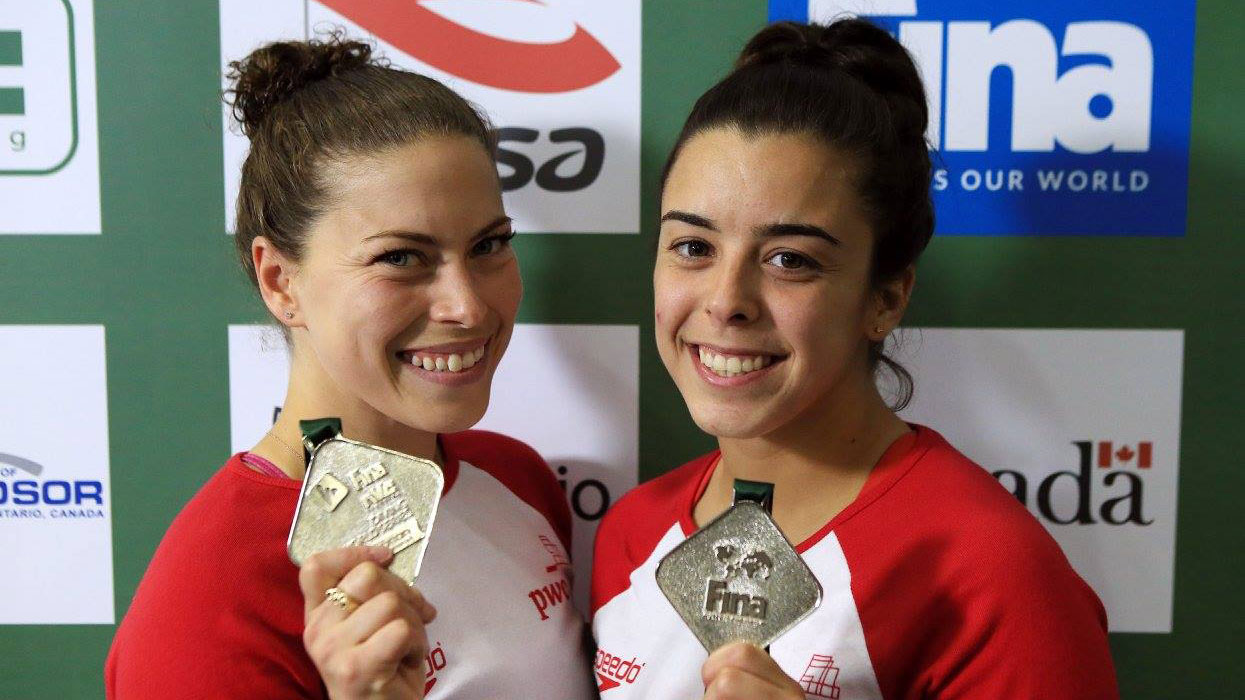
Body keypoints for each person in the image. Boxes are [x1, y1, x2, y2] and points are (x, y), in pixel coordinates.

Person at [590, 19, 1119, 699]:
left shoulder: (988, 568)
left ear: (886, 297)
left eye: (790, 259)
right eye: (692, 247)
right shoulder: (634, 530)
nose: (726, 302)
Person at [106, 35, 595, 699]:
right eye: (400, 257)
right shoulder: (212, 591)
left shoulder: (516, 477)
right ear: (280, 281)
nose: (468, 304)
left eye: (489, 245)